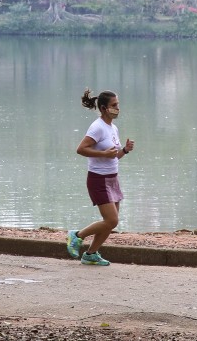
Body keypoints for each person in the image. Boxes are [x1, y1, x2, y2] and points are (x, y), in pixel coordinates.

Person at [66, 89, 135, 266]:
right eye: (114, 105)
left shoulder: (113, 128)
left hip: (112, 178)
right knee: (112, 220)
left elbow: (114, 156)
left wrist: (124, 150)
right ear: (104, 108)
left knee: (110, 223)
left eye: (118, 105)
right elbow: (80, 149)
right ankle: (77, 235)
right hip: (98, 179)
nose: (117, 108)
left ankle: (91, 254)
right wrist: (104, 154)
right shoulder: (97, 127)